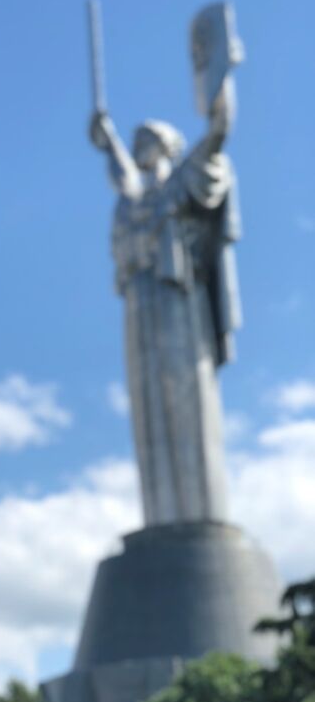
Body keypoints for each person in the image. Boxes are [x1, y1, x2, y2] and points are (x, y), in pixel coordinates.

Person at [88, 90, 241, 527]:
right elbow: (123, 179)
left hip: (179, 301)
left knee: (186, 401)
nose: (136, 146)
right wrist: (111, 138)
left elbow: (215, 140)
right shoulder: (131, 201)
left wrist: (219, 86)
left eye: (145, 139)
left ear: (167, 146)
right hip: (140, 305)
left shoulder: (181, 185)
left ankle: (201, 516)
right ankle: (163, 518)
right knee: (149, 407)